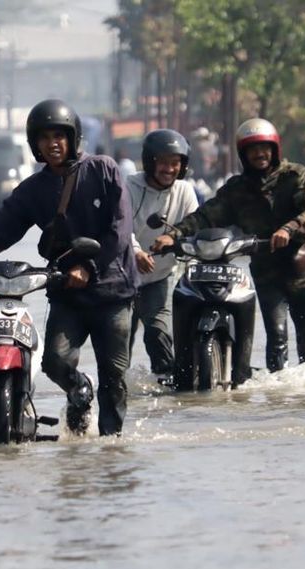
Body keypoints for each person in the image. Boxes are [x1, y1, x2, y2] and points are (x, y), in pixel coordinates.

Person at [0, 99, 138, 437]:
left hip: (113, 292)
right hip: (67, 293)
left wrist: (89, 268)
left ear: (73, 138)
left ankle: (111, 447)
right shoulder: (32, 191)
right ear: (35, 145)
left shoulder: (104, 170)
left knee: (115, 377)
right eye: (45, 138)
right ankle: (79, 389)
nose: (53, 144)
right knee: (55, 363)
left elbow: (120, 230)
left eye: (59, 136)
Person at [153, 118, 305, 379]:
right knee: (277, 341)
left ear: (274, 149)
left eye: (264, 148)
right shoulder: (236, 189)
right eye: (252, 149)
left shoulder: (295, 176)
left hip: (301, 271)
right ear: (243, 154)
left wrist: (287, 230)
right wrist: (173, 235)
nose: (259, 154)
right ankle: (279, 398)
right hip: (266, 274)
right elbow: (204, 216)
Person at [127, 129, 199, 386]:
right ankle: (116, 390)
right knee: (121, 340)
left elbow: (193, 226)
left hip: (159, 276)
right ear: (150, 161)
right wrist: (135, 252)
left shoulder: (185, 191)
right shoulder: (129, 186)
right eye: (163, 162)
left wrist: (175, 240)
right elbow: (119, 227)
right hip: (123, 277)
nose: (168, 169)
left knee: (158, 332)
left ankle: (167, 384)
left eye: (174, 163)